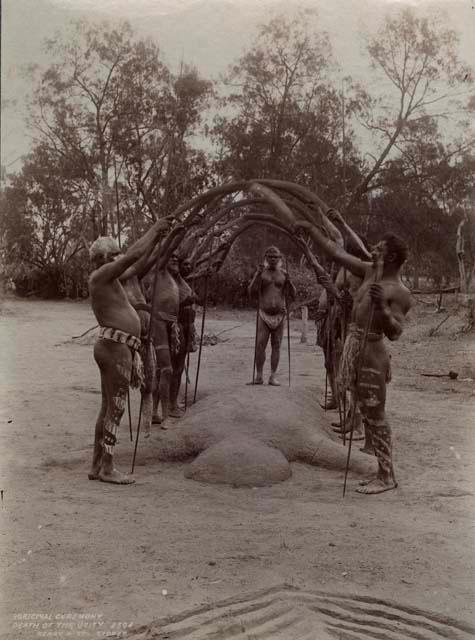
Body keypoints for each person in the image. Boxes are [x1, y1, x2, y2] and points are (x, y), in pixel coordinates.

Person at [297, 221, 412, 494]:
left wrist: (383, 309)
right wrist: (310, 229)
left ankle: (386, 476)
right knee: (364, 409)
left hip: (372, 353)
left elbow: (395, 333)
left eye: (380, 248)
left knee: (376, 414)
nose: (373, 250)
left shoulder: (399, 292)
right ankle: (380, 471)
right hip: (355, 345)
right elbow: (337, 253)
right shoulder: (370, 271)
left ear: (392, 257)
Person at [88, 219, 170, 484]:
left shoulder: (110, 278)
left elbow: (139, 260)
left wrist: (161, 239)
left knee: (107, 407)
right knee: (116, 408)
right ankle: (108, 468)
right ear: (104, 258)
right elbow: (134, 254)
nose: (118, 258)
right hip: (115, 348)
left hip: (114, 346)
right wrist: (155, 228)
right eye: (114, 255)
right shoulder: (101, 276)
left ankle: (96, 465)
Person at [248, 246, 296, 386]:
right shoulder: (261, 273)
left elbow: (292, 295)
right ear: (266, 258)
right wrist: (257, 275)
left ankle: (273, 376)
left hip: (280, 315)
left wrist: (290, 281)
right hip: (264, 314)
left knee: (277, 345)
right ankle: (258, 376)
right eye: (270, 256)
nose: (273, 259)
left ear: (280, 258)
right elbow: (251, 291)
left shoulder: (284, 274)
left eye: (276, 257)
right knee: (260, 344)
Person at [150, 252, 181, 429]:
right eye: (171, 257)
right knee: (167, 369)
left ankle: (153, 412)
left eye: (177, 258)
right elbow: (166, 248)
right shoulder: (160, 271)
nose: (175, 259)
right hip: (159, 322)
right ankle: (165, 416)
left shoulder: (173, 278)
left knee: (162, 370)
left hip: (171, 325)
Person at [168, 255, 197, 417]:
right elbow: (169, 306)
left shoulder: (184, 282)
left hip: (187, 326)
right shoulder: (170, 282)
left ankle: (173, 400)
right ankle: (170, 404)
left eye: (189, 265)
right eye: (183, 264)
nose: (187, 267)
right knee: (174, 366)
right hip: (176, 327)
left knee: (179, 366)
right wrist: (185, 303)